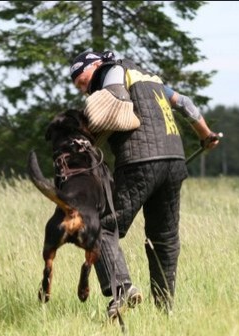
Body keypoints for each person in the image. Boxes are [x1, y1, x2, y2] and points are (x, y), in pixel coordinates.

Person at [69, 50, 220, 318]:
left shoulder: (110, 71)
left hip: (140, 159)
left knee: (102, 226)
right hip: (174, 159)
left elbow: (115, 105)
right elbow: (184, 103)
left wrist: (83, 140)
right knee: (164, 239)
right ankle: (165, 311)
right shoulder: (151, 78)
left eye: (80, 79)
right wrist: (205, 135)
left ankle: (123, 289)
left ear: (94, 65)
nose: (81, 87)